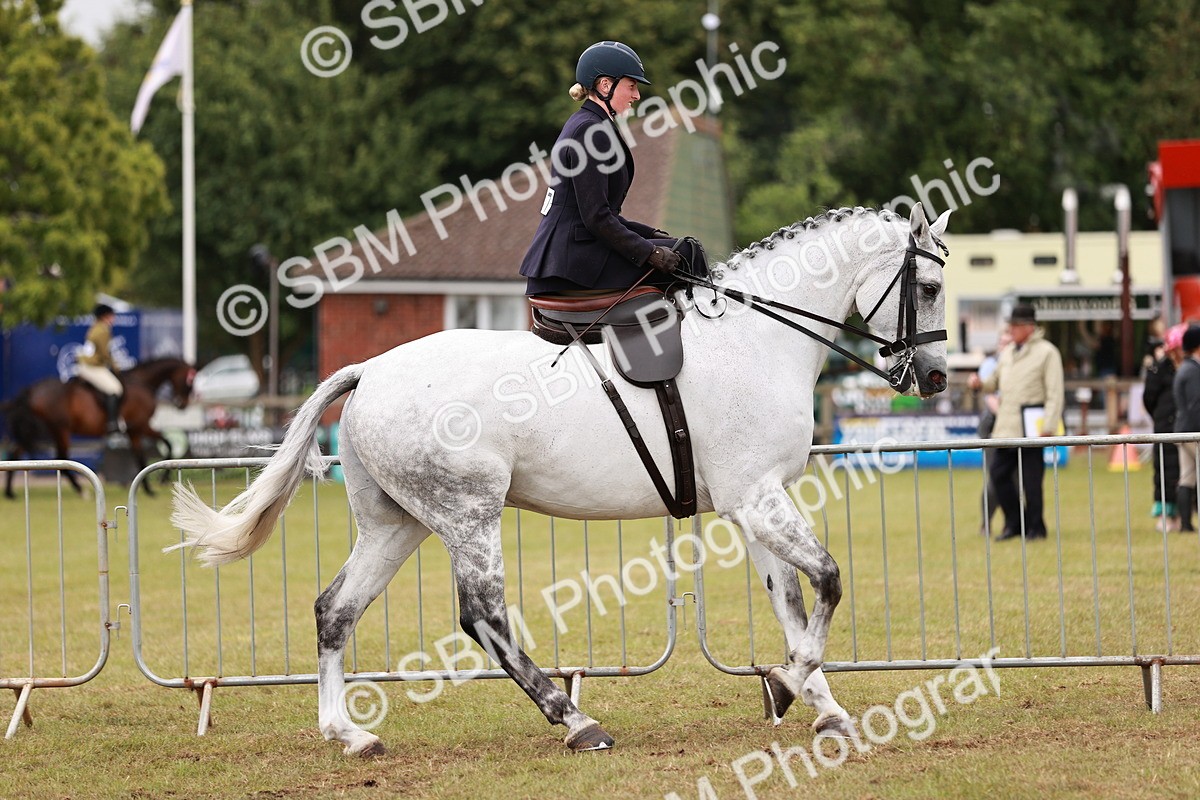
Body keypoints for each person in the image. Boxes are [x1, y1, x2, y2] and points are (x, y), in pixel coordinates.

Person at [519, 41, 705, 297]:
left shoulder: (593, 124)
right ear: (605, 85)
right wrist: (650, 252)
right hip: (570, 263)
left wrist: (650, 234)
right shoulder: (589, 130)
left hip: (578, 251)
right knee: (688, 254)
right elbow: (596, 217)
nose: (637, 96)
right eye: (632, 86)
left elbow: (604, 214)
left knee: (684, 247)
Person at [968, 304, 1064, 541]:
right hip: (1006, 428)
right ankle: (1015, 522)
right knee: (998, 475)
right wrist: (980, 384)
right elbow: (994, 383)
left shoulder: (1047, 353)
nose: (1011, 329)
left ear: (1029, 327)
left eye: (1015, 325)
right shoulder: (1008, 352)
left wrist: (1048, 426)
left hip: (1032, 428)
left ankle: (1036, 528)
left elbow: (1055, 392)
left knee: (1032, 481)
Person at [1144, 323, 1185, 531]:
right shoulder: (1159, 369)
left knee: (1184, 472)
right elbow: (1148, 397)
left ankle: (1183, 515)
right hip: (1165, 425)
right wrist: (1161, 416)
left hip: (1185, 425)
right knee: (1163, 470)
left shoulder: (1189, 368)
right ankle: (1165, 515)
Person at [976, 328, 1012, 535]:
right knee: (995, 477)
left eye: (1009, 343)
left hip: (1014, 425)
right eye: (1002, 343)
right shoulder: (990, 365)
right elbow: (990, 399)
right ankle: (986, 522)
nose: (1005, 347)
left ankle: (1011, 523)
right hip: (993, 426)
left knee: (1016, 479)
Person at [75, 303, 124, 435]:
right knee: (115, 389)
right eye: (111, 315)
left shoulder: (96, 326)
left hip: (88, 364)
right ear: (105, 316)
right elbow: (105, 354)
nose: (113, 318)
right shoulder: (103, 330)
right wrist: (116, 368)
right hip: (92, 367)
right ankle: (112, 423)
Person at [1172, 325, 1200, 532]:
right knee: (1188, 476)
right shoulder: (1193, 371)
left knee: (1187, 476)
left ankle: (1186, 524)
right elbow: (1196, 405)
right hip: (1193, 430)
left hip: (1183, 429)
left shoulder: (1185, 367)